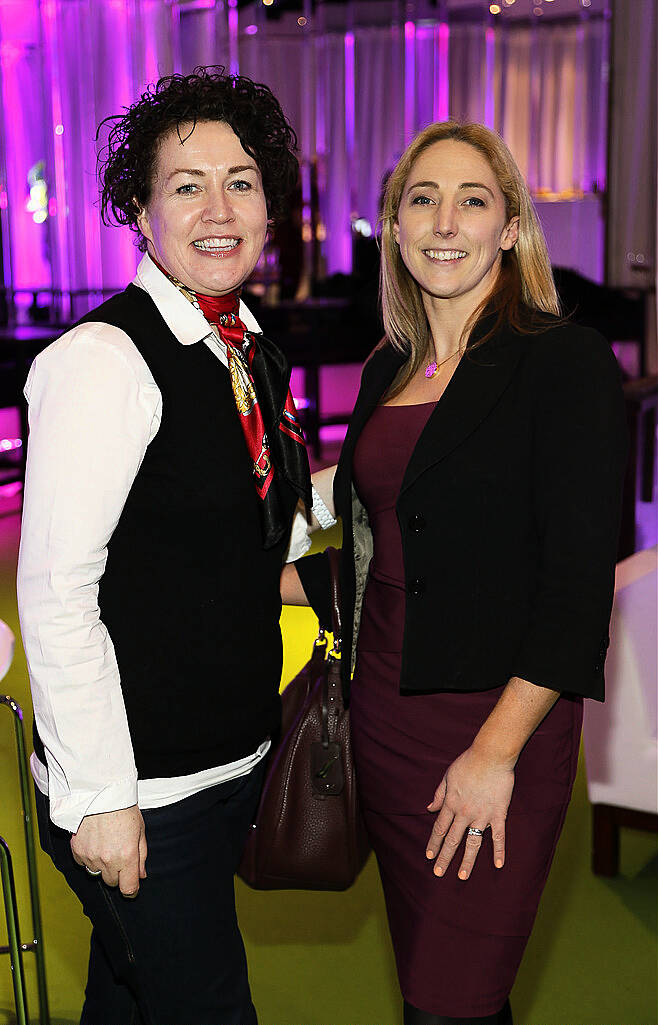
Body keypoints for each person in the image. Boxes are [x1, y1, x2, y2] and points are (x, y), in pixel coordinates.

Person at [282, 121, 628, 1025]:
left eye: (472, 199)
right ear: (393, 226)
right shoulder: (386, 369)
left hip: (494, 729)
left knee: (452, 1000)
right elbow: (385, 554)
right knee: (433, 995)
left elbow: (578, 585)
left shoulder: (561, 361)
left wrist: (495, 750)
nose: (444, 220)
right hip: (382, 722)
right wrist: (228, 577)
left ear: (510, 226)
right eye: (421, 199)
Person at [17, 67, 312, 1025]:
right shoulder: (104, 362)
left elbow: (256, 536)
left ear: (270, 204)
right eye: (187, 184)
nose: (219, 208)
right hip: (140, 785)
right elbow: (58, 592)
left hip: (226, 763)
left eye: (242, 180)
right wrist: (103, 796)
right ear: (141, 213)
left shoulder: (245, 345)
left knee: (133, 1001)